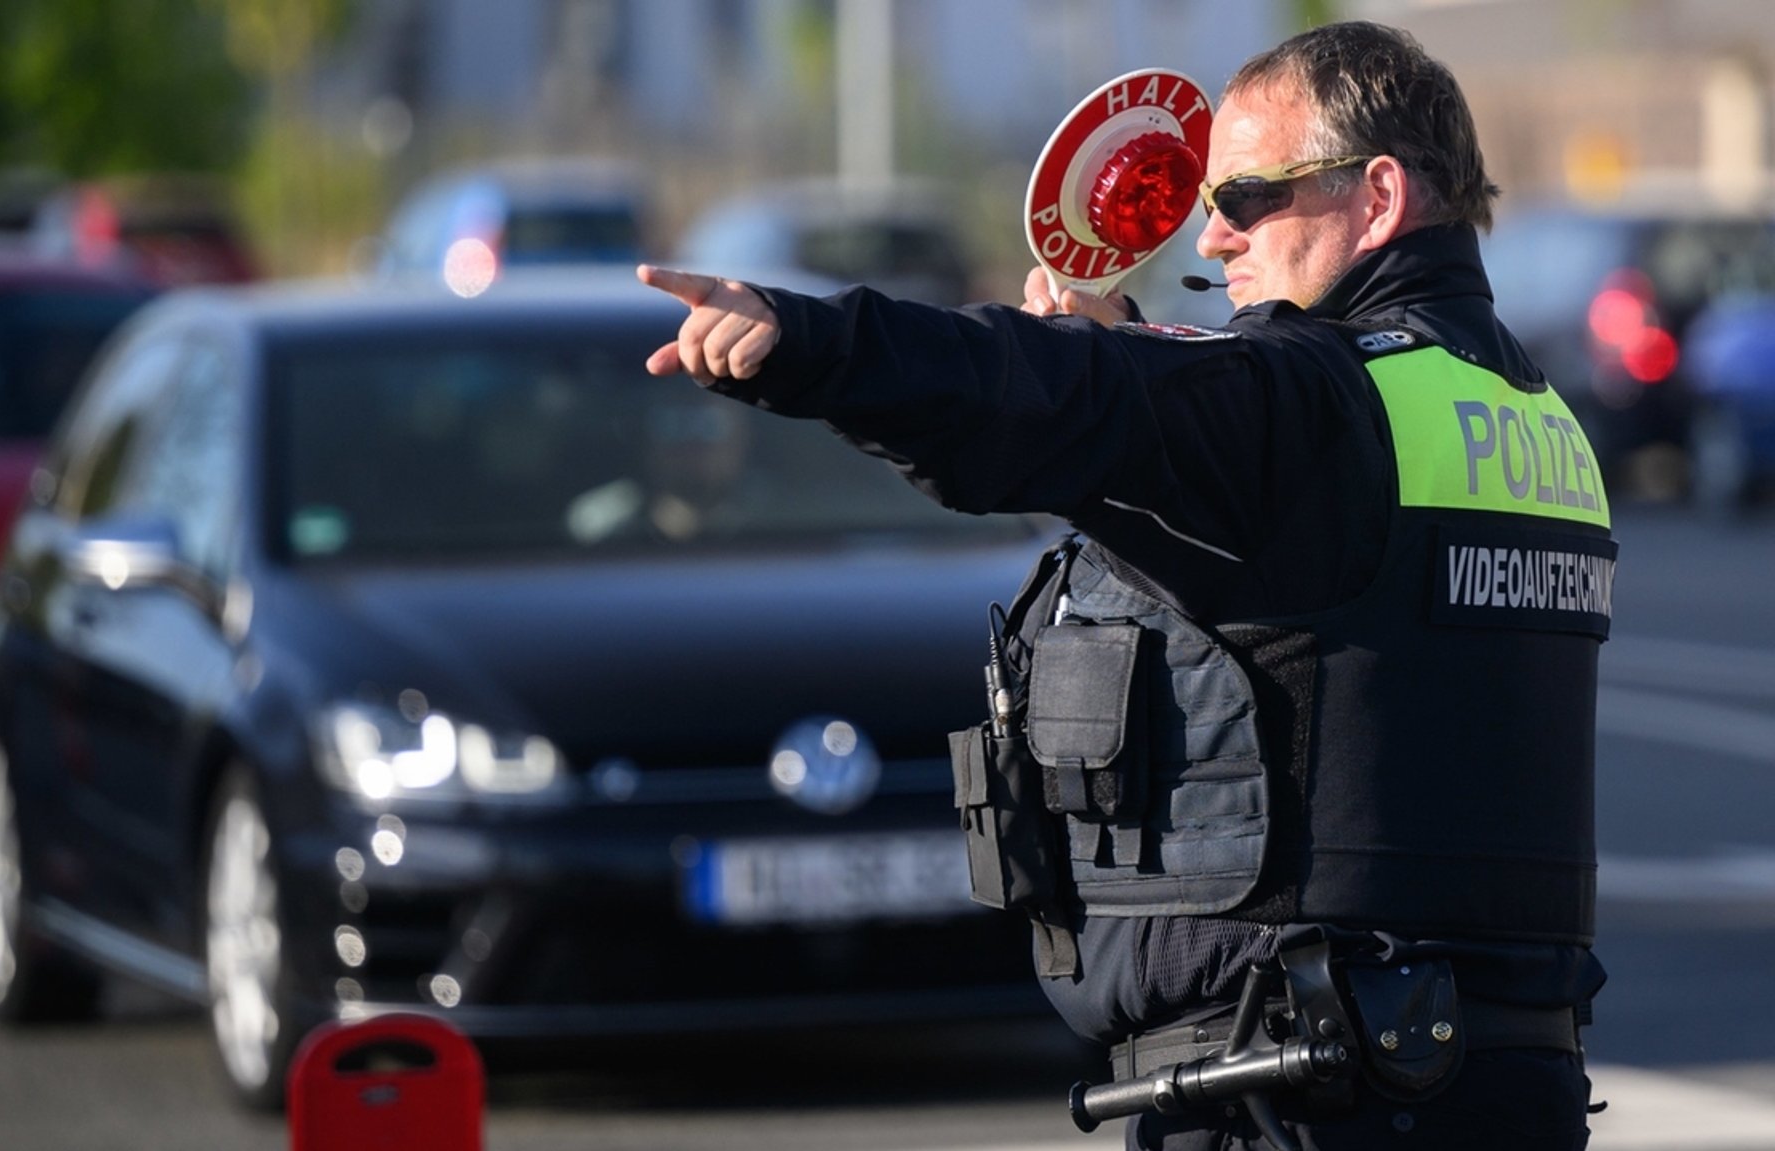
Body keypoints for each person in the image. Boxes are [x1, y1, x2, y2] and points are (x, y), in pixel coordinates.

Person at [638, 20, 1610, 1151]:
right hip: (1490, 1076)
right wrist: (1141, 354)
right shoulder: (1525, 414)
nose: (1213, 233)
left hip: (1298, 1092)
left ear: (1378, 194)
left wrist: (812, 342)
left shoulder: (1318, 410)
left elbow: (1058, 398)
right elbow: (1313, 552)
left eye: (1245, 196)